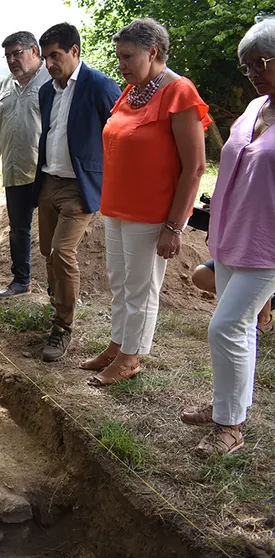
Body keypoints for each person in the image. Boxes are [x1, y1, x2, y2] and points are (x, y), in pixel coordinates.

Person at [83, 18, 212, 386]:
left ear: (152, 52)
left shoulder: (179, 91)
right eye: (119, 57)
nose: (120, 65)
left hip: (151, 212)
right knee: (120, 282)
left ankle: (130, 358)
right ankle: (117, 345)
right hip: (117, 206)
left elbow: (195, 166)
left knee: (141, 287)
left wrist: (175, 225)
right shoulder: (132, 91)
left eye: (127, 57)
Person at [181, 17, 275, 456]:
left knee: (227, 326)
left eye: (261, 62)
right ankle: (226, 404)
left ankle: (231, 427)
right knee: (240, 329)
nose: (252, 72)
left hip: (268, 246)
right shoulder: (255, 107)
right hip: (233, 233)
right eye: (246, 65)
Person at [33, 23, 121, 362]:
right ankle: (57, 305)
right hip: (48, 181)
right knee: (47, 251)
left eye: (55, 56)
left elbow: (119, 133)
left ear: (74, 51)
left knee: (62, 251)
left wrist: (110, 180)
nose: (49, 64)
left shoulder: (99, 85)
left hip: (80, 187)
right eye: (45, 57)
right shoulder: (47, 91)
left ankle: (63, 327)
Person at [0, 32, 51, 298]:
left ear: (34, 51)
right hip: (15, 170)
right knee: (18, 229)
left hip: (47, 172)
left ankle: (56, 289)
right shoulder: (2, 86)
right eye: (8, 56)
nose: (12, 60)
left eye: (17, 53)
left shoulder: (53, 81)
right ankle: (21, 280)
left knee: (52, 234)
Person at [192, 260, 273, 336]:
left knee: (259, 269)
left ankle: (264, 320)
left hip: (264, 260)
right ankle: (240, 309)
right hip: (237, 255)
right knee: (201, 275)